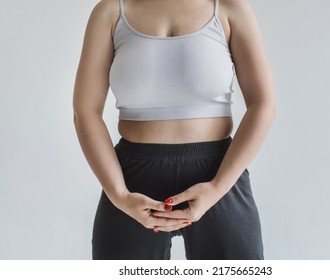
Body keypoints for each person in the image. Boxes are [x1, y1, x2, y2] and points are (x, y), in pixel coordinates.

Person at [73, 0, 276, 260]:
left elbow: (264, 105)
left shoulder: (229, 8)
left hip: (219, 174)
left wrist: (216, 188)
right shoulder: (111, 11)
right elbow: (85, 112)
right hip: (132, 181)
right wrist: (120, 195)